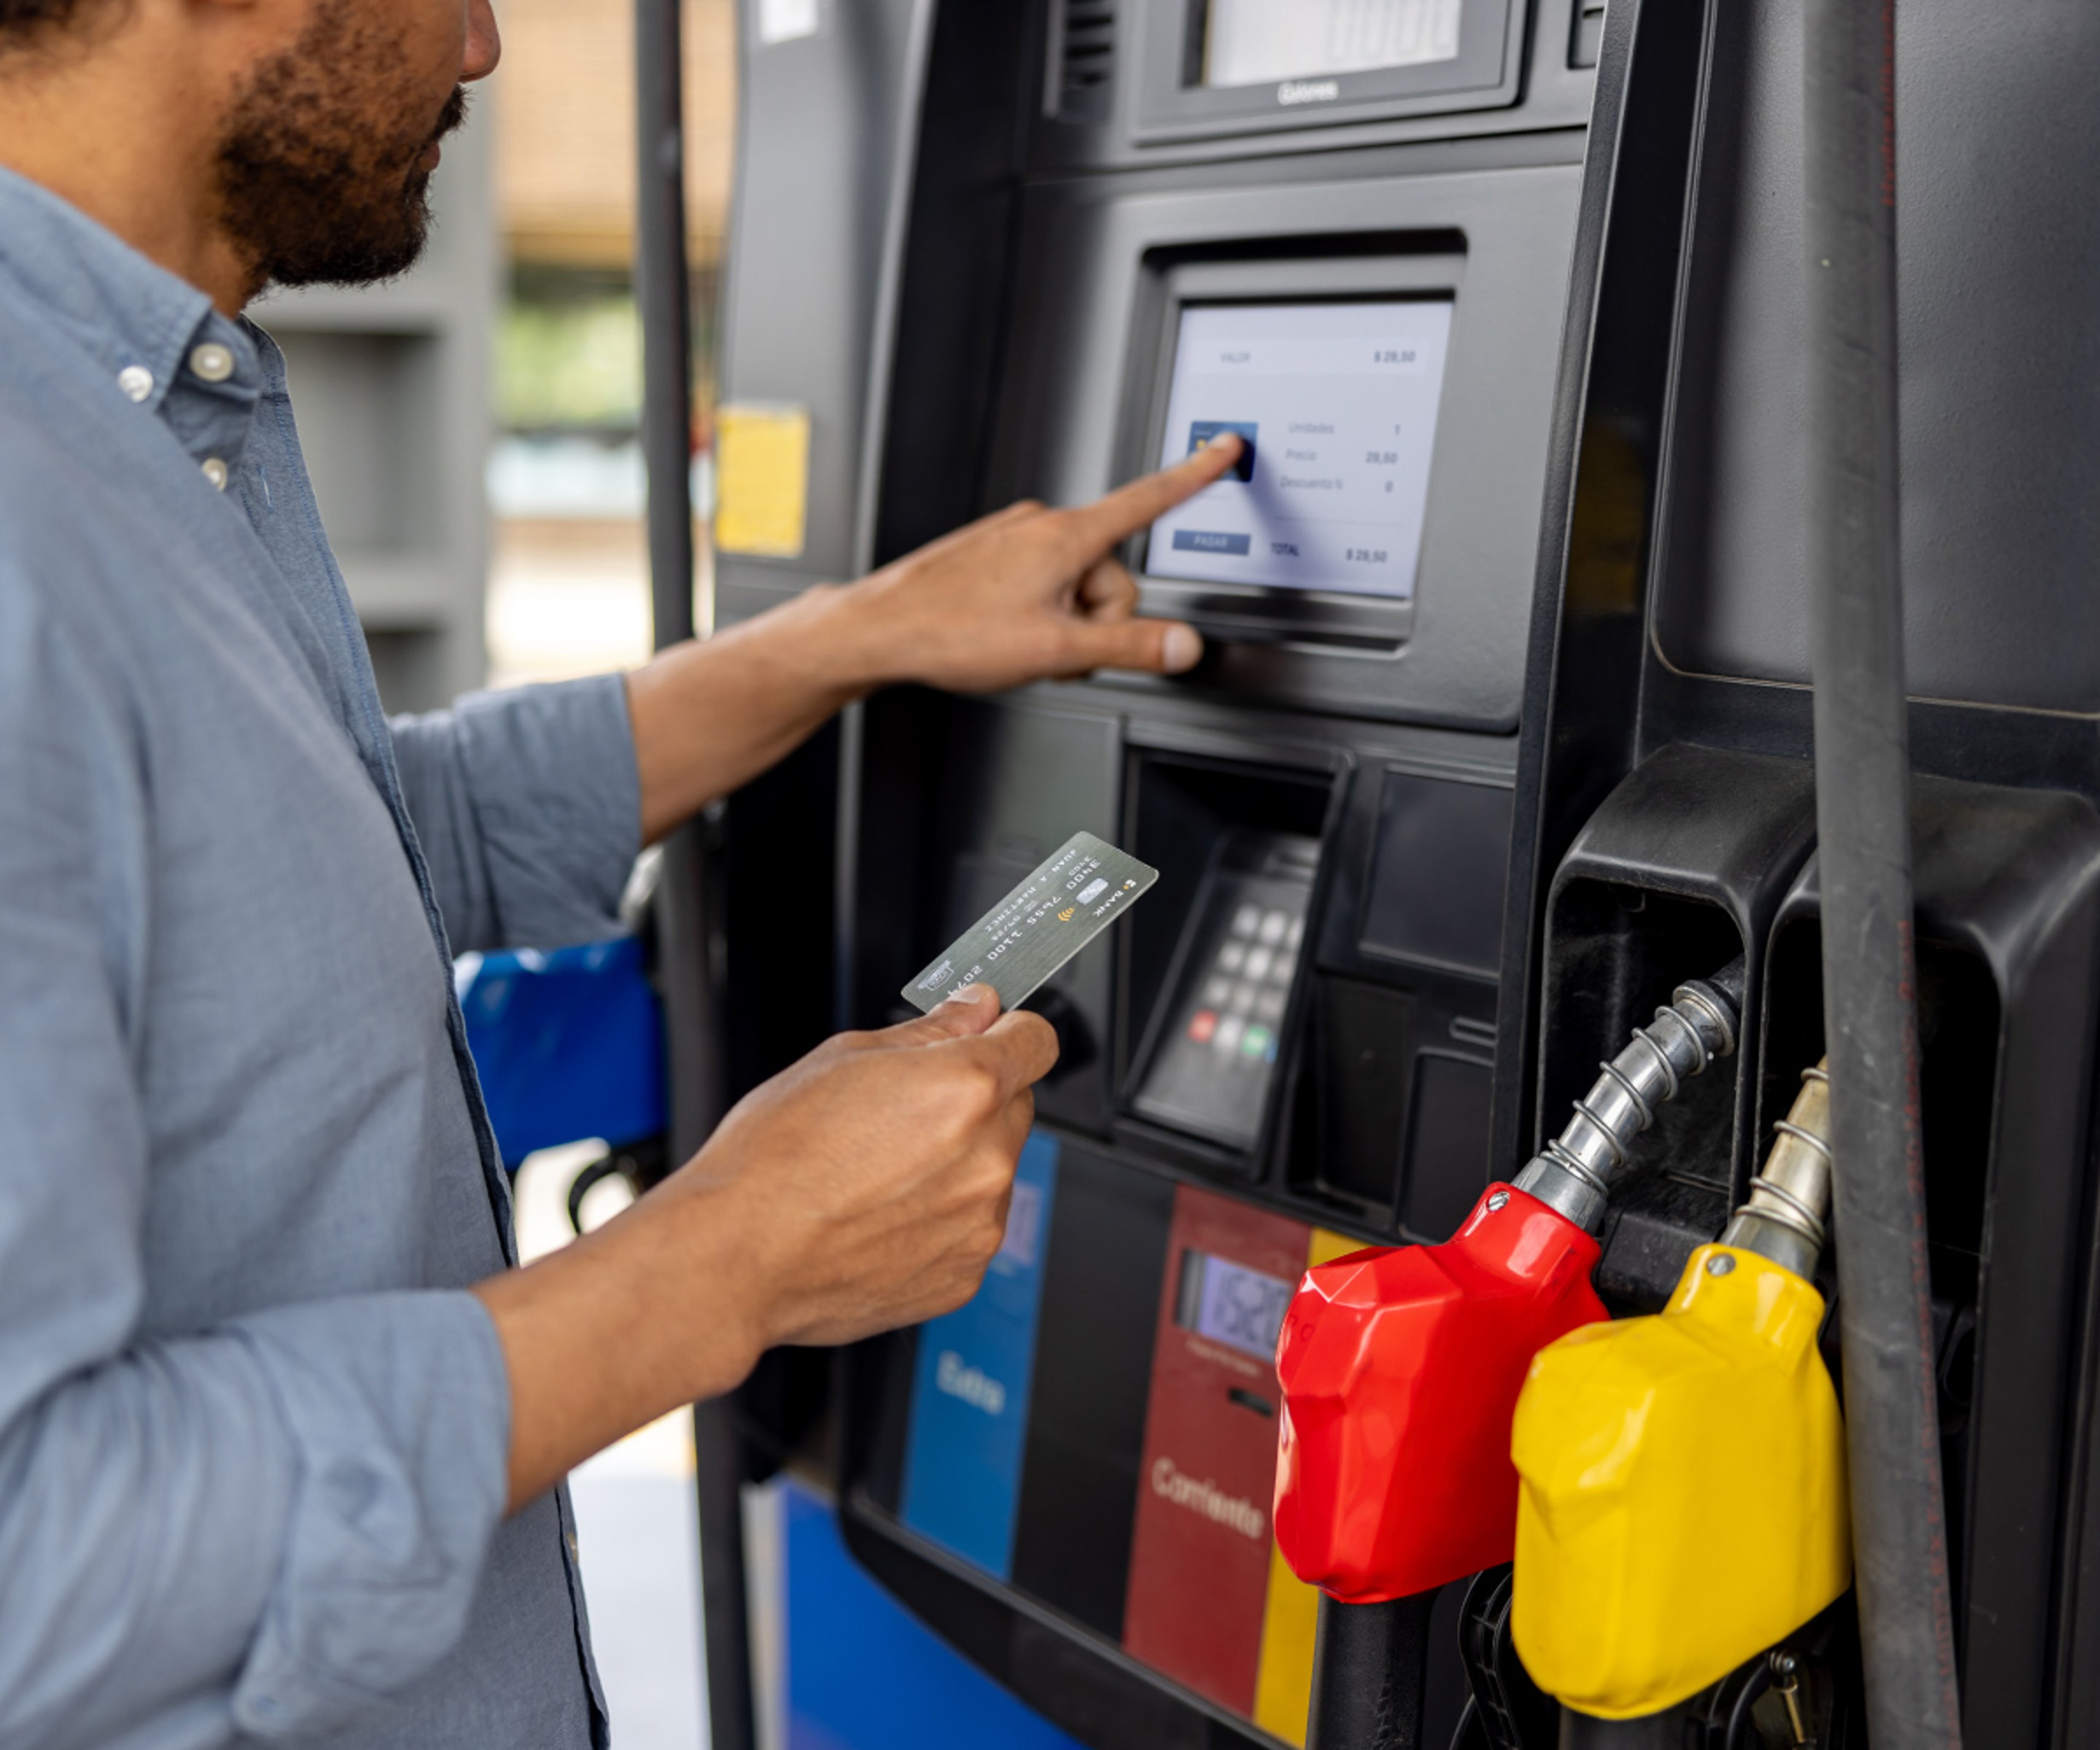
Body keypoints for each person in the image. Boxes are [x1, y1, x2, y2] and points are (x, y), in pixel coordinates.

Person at [0, 0, 1245, 1738]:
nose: (489, 45)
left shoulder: (126, 413)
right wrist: (725, 1263)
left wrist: (858, 634)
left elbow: (344, 848)